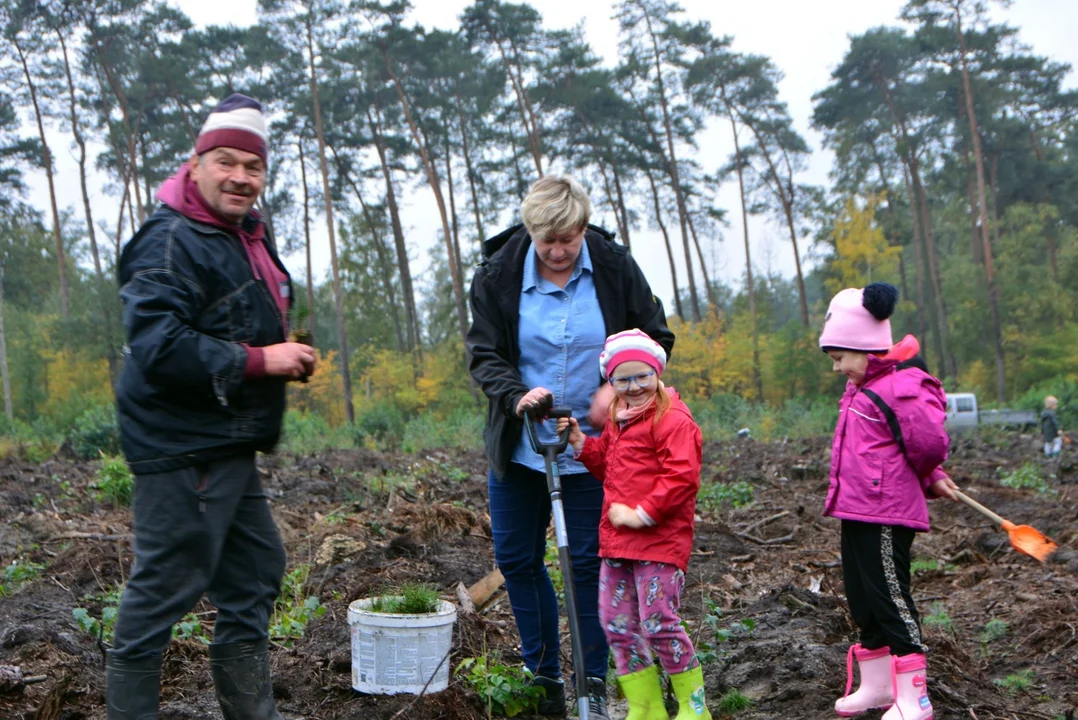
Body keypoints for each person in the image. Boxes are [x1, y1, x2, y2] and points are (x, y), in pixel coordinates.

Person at [109, 94, 317, 720]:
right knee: (164, 588)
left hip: (224, 441)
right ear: (195, 163)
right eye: (226, 162)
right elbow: (156, 344)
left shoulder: (238, 234)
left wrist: (282, 349)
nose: (240, 177)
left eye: (253, 167)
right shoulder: (171, 240)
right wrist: (260, 360)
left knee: (255, 570)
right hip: (182, 444)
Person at [466, 176, 674, 718]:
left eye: (568, 238)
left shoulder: (613, 267)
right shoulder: (497, 275)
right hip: (521, 441)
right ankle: (544, 680)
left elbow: (655, 336)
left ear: (583, 227)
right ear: (530, 232)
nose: (558, 250)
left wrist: (618, 385)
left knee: (587, 564)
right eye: (546, 240)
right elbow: (483, 354)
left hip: (597, 446)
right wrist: (516, 395)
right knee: (517, 558)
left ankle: (593, 684)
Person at [819, 282, 958, 720]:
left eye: (840, 358)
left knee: (890, 594)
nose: (837, 368)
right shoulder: (862, 385)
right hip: (856, 507)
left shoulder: (901, 386)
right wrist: (931, 474)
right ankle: (878, 687)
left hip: (886, 511)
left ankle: (914, 696)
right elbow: (899, 444)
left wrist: (932, 472)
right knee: (863, 597)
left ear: (864, 348)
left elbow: (927, 441)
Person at [558, 329, 711, 720]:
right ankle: (646, 708)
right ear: (610, 382)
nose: (634, 386)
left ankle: (694, 708)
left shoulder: (673, 418)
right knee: (617, 624)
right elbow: (608, 464)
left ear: (656, 371)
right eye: (622, 379)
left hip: (659, 540)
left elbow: (682, 477)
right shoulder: (618, 418)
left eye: (642, 375)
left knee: (659, 621)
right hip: (617, 542)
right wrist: (580, 443)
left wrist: (641, 513)